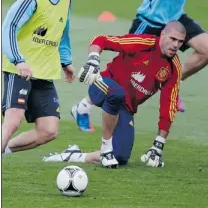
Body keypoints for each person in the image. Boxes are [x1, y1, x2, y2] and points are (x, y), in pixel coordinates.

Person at [71, 0, 208, 131]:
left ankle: (174, 86)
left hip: (175, 17)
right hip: (150, 19)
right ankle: (83, 106)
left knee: (206, 49)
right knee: (123, 73)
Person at [43, 21, 186, 168]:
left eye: (180, 42)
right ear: (163, 35)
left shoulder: (174, 68)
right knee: (117, 93)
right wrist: (93, 59)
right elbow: (101, 40)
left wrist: (158, 144)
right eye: (173, 39)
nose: (176, 45)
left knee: (120, 156)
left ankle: (73, 155)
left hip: (126, 106)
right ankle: (104, 144)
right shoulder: (143, 43)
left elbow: (168, 106)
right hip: (102, 84)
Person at [2, 0, 79, 156]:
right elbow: (8, 27)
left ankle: (3, 150)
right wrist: (18, 60)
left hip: (44, 72)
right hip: (20, 70)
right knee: (12, 122)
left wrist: (66, 61)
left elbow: (63, 30)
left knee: (48, 131)